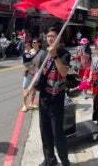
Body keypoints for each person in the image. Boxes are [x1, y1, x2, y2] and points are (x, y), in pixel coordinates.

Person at [38, 26, 70, 166]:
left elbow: (63, 73)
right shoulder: (43, 54)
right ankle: (49, 159)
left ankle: (64, 161)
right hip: (44, 97)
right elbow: (39, 74)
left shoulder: (64, 54)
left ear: (59, 37)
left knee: (58, 134)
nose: (50, 38)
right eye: (48, 36)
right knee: (45, 132)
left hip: (56, 99)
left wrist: (55, 55)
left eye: (53, 36)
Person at [22, 39, 45, 112]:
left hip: (36, 72)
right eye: (32, 42)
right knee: (26, 88)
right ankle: (24, 105)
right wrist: (26, 68)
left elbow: (44, 63)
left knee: (34, 88)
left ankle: (31, 102)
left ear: (38, 43)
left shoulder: (42, 52)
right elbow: (24, 62)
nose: (32, 43)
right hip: (28, 72)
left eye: (34, 42)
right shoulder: (29, 51)